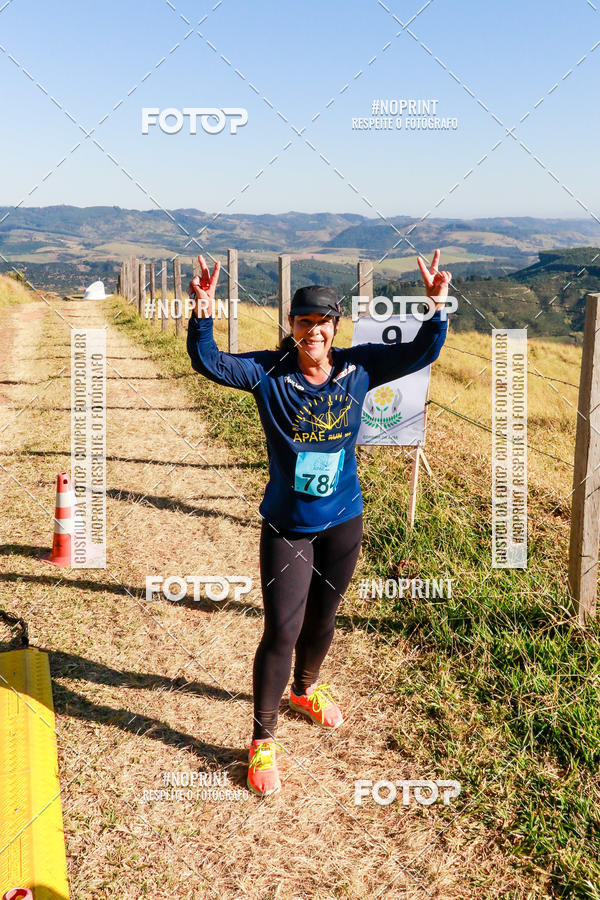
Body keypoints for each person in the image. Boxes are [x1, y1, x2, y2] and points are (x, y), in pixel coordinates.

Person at [187, 249, 450, 797]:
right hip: (288, 525)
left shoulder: (359, 368)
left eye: (323, 322)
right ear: (291, 325)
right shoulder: (267, 373)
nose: (314, 331)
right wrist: (204, 308)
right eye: (304, 322)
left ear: (335, 327)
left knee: (325, 620)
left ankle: (305, 689)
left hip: (344, 519)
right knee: (282, 629)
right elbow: (207, 361)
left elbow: (424, 350)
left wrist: (436, 304)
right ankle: (262, 739)